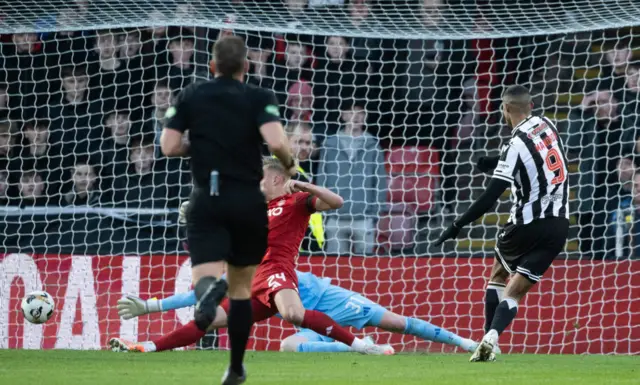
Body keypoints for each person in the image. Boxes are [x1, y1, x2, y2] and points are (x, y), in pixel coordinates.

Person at [110, 158, 392, 356]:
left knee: (294, 313)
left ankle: (361, 346)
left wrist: (307, 186)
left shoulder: (296, 202)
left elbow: (337, 202)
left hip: (277, 270)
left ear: (278, 179)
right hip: (254, 279)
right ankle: (147, 347)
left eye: (260, 178)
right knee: (206, 319)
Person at [159, 35, 296, 385]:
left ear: (212, 66)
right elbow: (278, 143)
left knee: (205, 277)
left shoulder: (191, 94)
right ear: (246, 67)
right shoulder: (260, 97)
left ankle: (208, 290)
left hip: (206, 198)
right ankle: (235, 367)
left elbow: (169, 147)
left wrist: (203, 142)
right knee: (239, 291)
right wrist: (290, 166)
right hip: (246, 201)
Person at [435, 85, 570, 362]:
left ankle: (488, 338)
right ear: (531, 106)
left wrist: (457, 225)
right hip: (559, 226)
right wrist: (493, 162)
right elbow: (538, 157)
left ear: (506, 109)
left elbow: (489, 198)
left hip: (526, 223)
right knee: (516, 289)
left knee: (498, 275)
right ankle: (493, 337)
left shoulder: (515, 143)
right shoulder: (547, 124)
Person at [111, 269, 494, 355]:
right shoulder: (253, 269)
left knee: (398, 324)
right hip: (311, 320)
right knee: (289, 348)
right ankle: (147, 346)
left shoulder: (273, 264)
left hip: (336, 304)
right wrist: (150, 306)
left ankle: (464, 341)